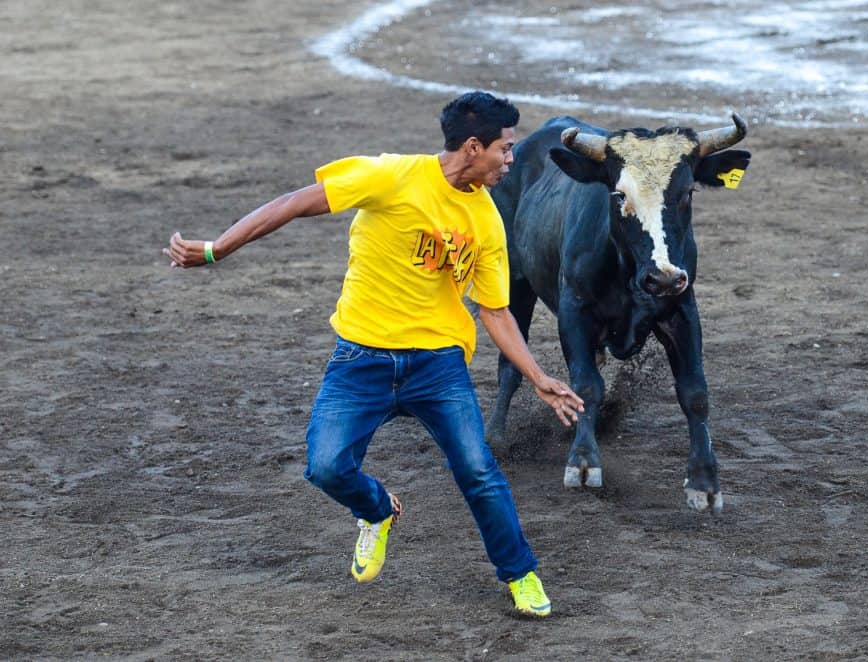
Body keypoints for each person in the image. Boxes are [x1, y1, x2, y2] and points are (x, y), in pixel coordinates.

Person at [163, 91, 584, 618]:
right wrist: (217, 248)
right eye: (506, 149)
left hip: (437, 367)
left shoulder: (486, 221)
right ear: (473, 147)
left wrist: (538, 375)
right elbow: (295, 203)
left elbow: (495, 312)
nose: (510, 160)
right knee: (326, 467)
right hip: (360, 361)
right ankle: (378, 510)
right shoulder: (390, 177)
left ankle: (520, 574)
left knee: (478, 471)